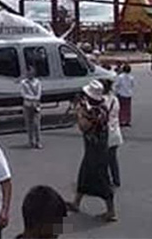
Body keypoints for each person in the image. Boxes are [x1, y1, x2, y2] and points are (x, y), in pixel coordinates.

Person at [66, 80, 117, 222]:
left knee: (102, 179)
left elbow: (84, 127)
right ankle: (76, 202)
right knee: (84, 175)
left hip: (97, 151)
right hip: (94, 149)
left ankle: (111, 211)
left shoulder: (95, 111)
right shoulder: (101, 107)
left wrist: (79, 114)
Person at [102, 78, 123, 188]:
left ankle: (105, 180)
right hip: (115, 131)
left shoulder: (101, 101)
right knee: (113, 159)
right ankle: (116, 180)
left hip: (105, 133)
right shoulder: (115, 99)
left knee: (102, 159)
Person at [20, 66, 43, 149]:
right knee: (28, 124)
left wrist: (35, 99)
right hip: (27, 105)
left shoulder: (37, 82)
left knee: (37, 124)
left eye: (30, 73)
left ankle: (38, 141)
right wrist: (32, 98)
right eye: (28, 73)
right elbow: (23, 94)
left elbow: (39, 93)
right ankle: (31, 141)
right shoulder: (23, 83)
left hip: (36, 105)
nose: (29, 74)